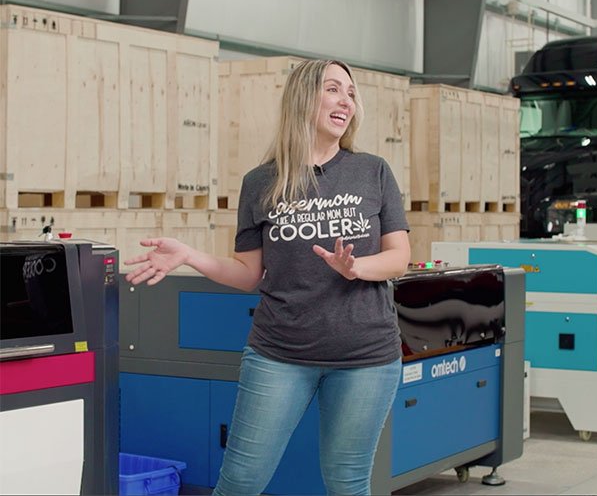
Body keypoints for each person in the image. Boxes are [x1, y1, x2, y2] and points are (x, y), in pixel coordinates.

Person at [124, 59, 411, 496]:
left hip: (366, 354)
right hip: (280, 352)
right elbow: (248, 274)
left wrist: (356, 268)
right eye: (334, 89)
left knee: (347, 480)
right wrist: (189, 256)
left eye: (351, 93)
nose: (346, 101)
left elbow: (399, 258)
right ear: (303, 97)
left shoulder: (373, 171)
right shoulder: (260, 182)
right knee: (240, 480)